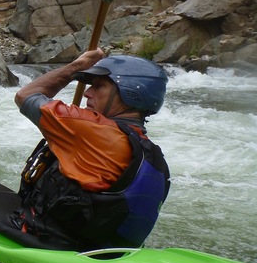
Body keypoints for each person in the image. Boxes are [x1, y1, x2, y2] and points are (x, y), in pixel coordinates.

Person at [12, 48, 170, 250]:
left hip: (50, 242)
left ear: (130, 92)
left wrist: (77, 66)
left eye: (98, 86)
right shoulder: (146, 148)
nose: (87, 92)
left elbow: (26, 96)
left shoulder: (91, 129)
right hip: (97, 247)